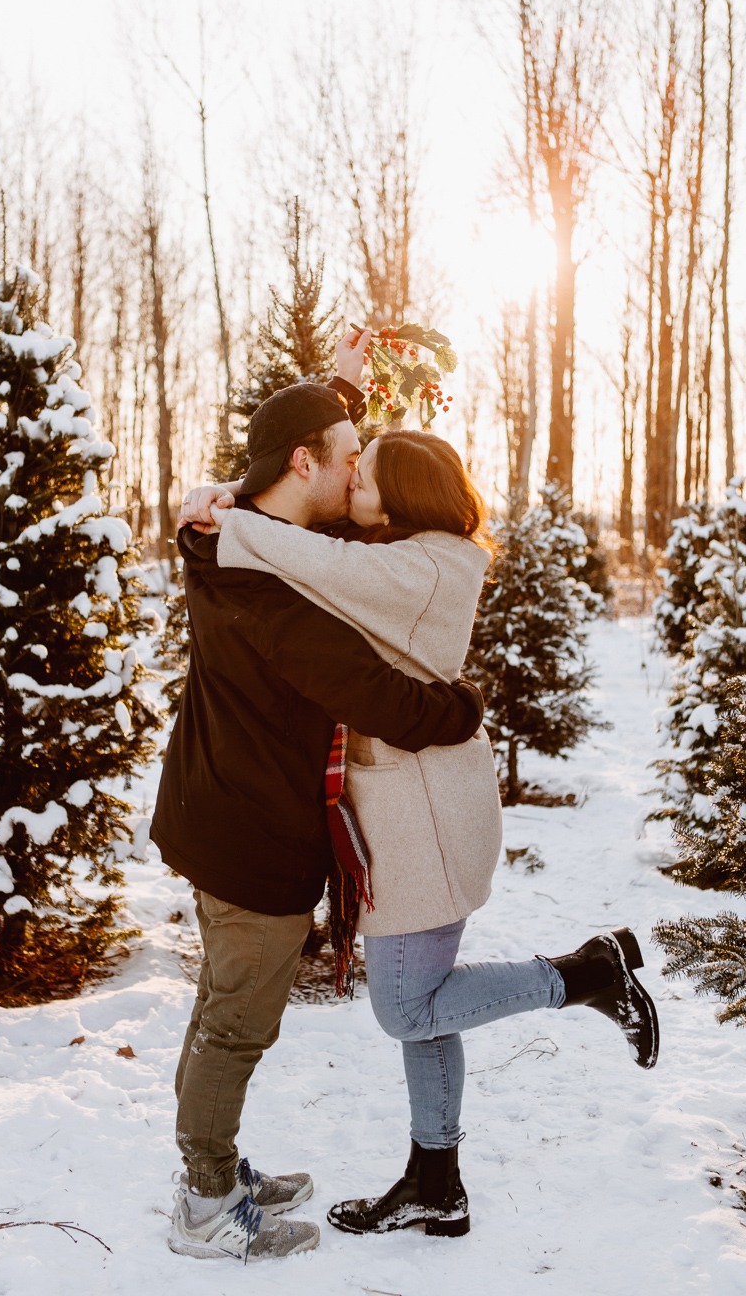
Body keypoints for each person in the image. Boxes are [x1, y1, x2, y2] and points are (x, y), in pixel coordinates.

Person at [188, 406, 660, 1241]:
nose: (349, 480)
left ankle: (584, 975)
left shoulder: (427, 568)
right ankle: (434, 1181)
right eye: (347, 464)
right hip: (402, 804)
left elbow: (301, 550)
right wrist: (237, 489)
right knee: (428, 1005)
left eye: (362, 473)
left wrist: (218, 515)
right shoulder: (400, 553)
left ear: (397, 495)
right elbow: (307, 521)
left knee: (407, 1009)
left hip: (424, 813)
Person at [153, 333, 487, 1263]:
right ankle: (205, 1206)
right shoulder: (266, 586)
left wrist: (338, 386)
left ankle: (210, 1166)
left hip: (217, 808)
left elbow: (287, 477)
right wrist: (465, 704)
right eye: (350, 456)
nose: (359, 474)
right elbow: (382, 699)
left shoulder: (247, 525)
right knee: (237, 1022)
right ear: (308, 464)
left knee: (224, 1002)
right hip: (247, 832)